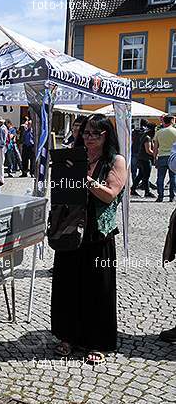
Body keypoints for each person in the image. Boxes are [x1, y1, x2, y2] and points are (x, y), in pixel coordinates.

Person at [52, 114, 126, 365]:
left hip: (98, 233)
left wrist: (86, 180)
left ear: (107, 135)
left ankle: (98, 341)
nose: (89, 137)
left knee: (98, 288)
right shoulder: (73, 156)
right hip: (70, 229)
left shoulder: (116, 161)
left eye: (96, 133)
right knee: (67, 285)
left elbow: (109, 195)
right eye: (86, 132)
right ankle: (67, 336)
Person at [153, 116, 176, 202]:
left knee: (160, 177)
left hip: (162, 156)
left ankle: (160, 196)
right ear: (171, 121)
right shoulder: (175, 131)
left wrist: (155, 158)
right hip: (173, 156)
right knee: (173, 177)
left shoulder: (159, 132)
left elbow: (155, 147)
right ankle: (172, 196)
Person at [131, 123, 155, 198]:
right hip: (145, 159)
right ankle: (147, 192)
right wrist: (156, 154)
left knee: (140, 175)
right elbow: (148, 150)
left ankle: (133, 189)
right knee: (146, 176)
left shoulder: (143, 136)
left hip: (141, 158)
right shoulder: (147, 138)